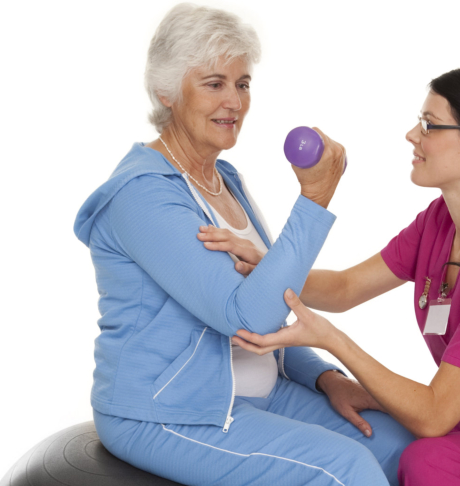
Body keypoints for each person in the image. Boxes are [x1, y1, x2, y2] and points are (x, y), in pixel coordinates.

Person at [205, 65, 460, 485]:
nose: (412, 135)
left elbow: (434, 416)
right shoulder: (440, 222)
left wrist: (332, 341)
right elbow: (345, 288)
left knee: (428, 461)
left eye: (429, 125)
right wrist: (270, 266)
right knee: (384, 440)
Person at [73, 4, 414, 486]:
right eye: (214, 84)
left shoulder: (223, 179)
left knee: (398, 445)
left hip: (259, 392)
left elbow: (276, 301)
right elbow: (248, 315)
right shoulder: (142, 193)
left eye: (242, 83)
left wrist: (324, 377)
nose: (233, 101)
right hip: (169, 409)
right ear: (166, 91)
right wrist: (314, 200)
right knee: (345, 469)